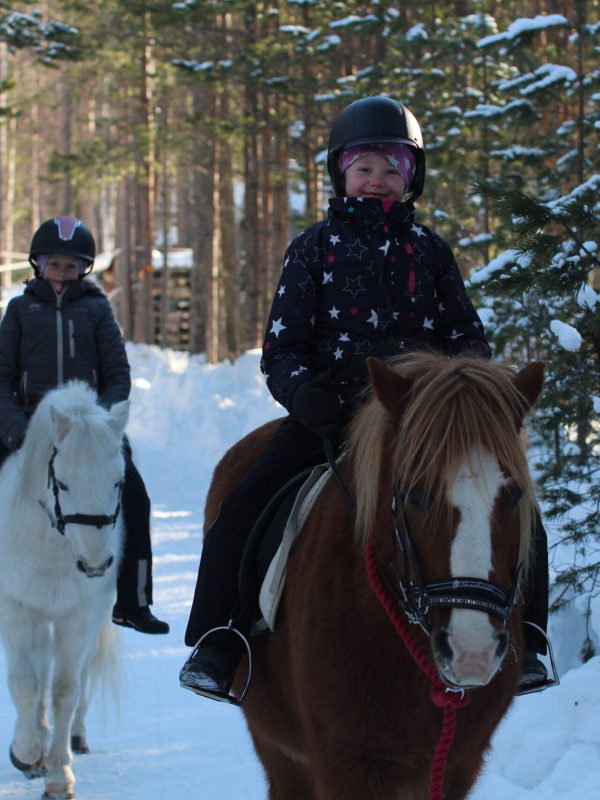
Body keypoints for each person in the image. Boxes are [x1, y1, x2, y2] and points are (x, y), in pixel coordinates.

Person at [179, 96, 550, 701]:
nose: (376, 181)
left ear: (410, 179)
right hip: (333, 415)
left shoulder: (430, 251)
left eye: (391, 169)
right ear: (341, 174)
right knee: (243, 505)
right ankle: (221, 639)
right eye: (364, 168)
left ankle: (528, 638)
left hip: (419, 422)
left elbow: (465, 339)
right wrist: (305, 396)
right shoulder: (313, 249)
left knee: (517, 509)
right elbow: (282, 346)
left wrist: (463, 396)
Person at [0, 215, 169, 636]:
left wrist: (100, 426)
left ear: (84, 270)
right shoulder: (19, 311)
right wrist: (17, 430)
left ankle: (133, 601)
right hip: (29, 425)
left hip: (89, 431)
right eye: (54, 265)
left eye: (71, 266)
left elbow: (117, 375)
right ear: (38, 265)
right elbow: (1, 377)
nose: (62, 274)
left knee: (136, 497)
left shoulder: (97, 309)